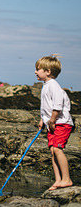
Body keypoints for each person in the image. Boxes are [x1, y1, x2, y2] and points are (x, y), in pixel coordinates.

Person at [34, 55, 74, 191]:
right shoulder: (46, 86)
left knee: (57, 149)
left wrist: (52, 120)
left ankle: (66, 179)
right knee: (52, 150)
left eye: (38, 69)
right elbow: (46, 106)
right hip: (51, 123)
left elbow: (57, 105)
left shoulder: (54, 86)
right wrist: (43, 120)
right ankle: (58, 180)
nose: (35, 72)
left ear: (48, 71)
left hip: (61, 123)